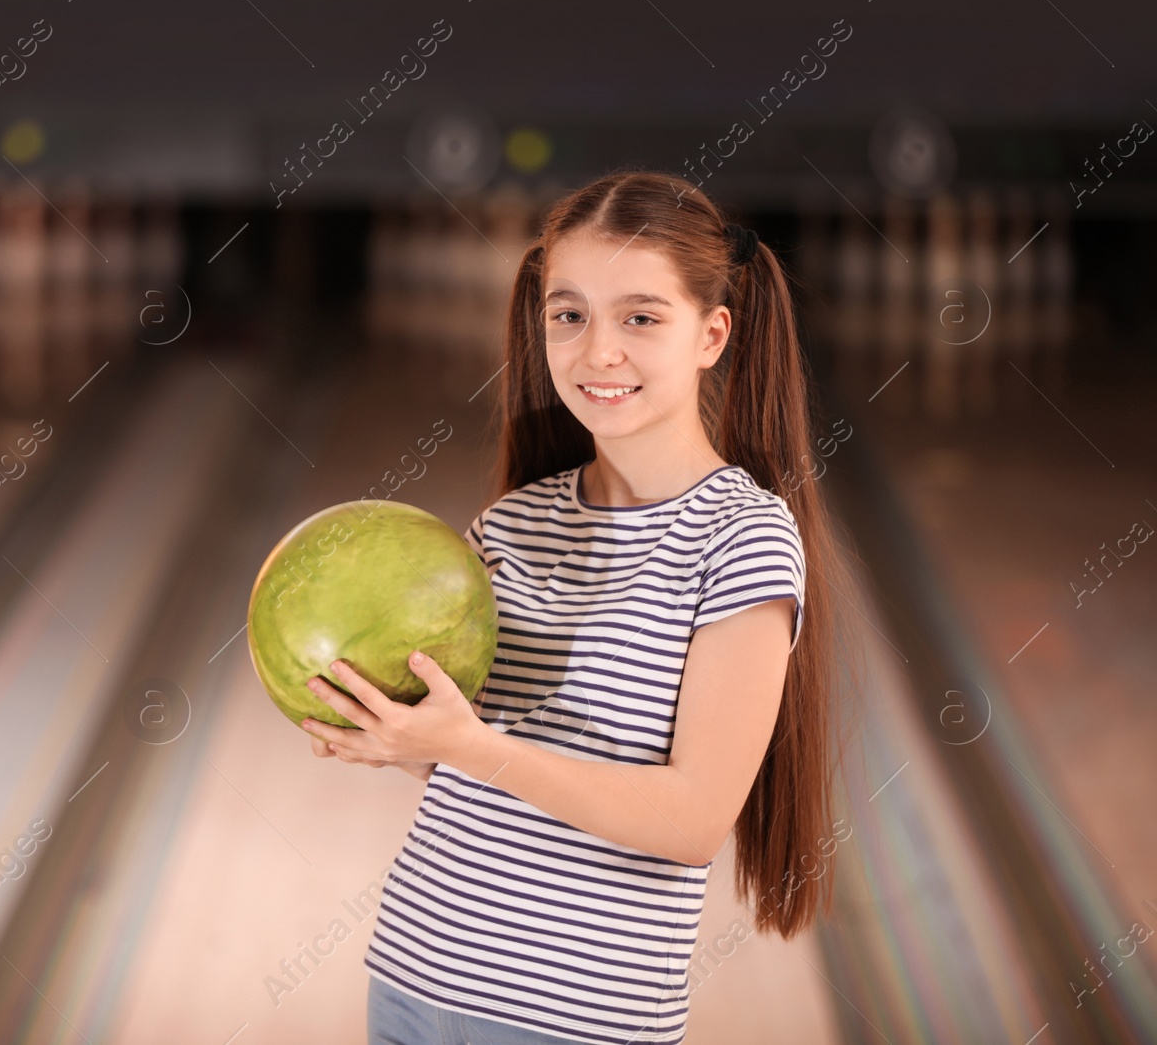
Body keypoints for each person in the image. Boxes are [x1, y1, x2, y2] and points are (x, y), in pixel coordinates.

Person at [302, 169, 853, 1044]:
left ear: (712, 334)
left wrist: (469, 746)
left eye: (640, 317)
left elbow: (691, 819)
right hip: (413, 974)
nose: (599, 351)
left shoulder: (743, 536)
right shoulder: (510, 523)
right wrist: (401, 742)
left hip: (577, 1018)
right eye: (570, 313)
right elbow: (493, 765)